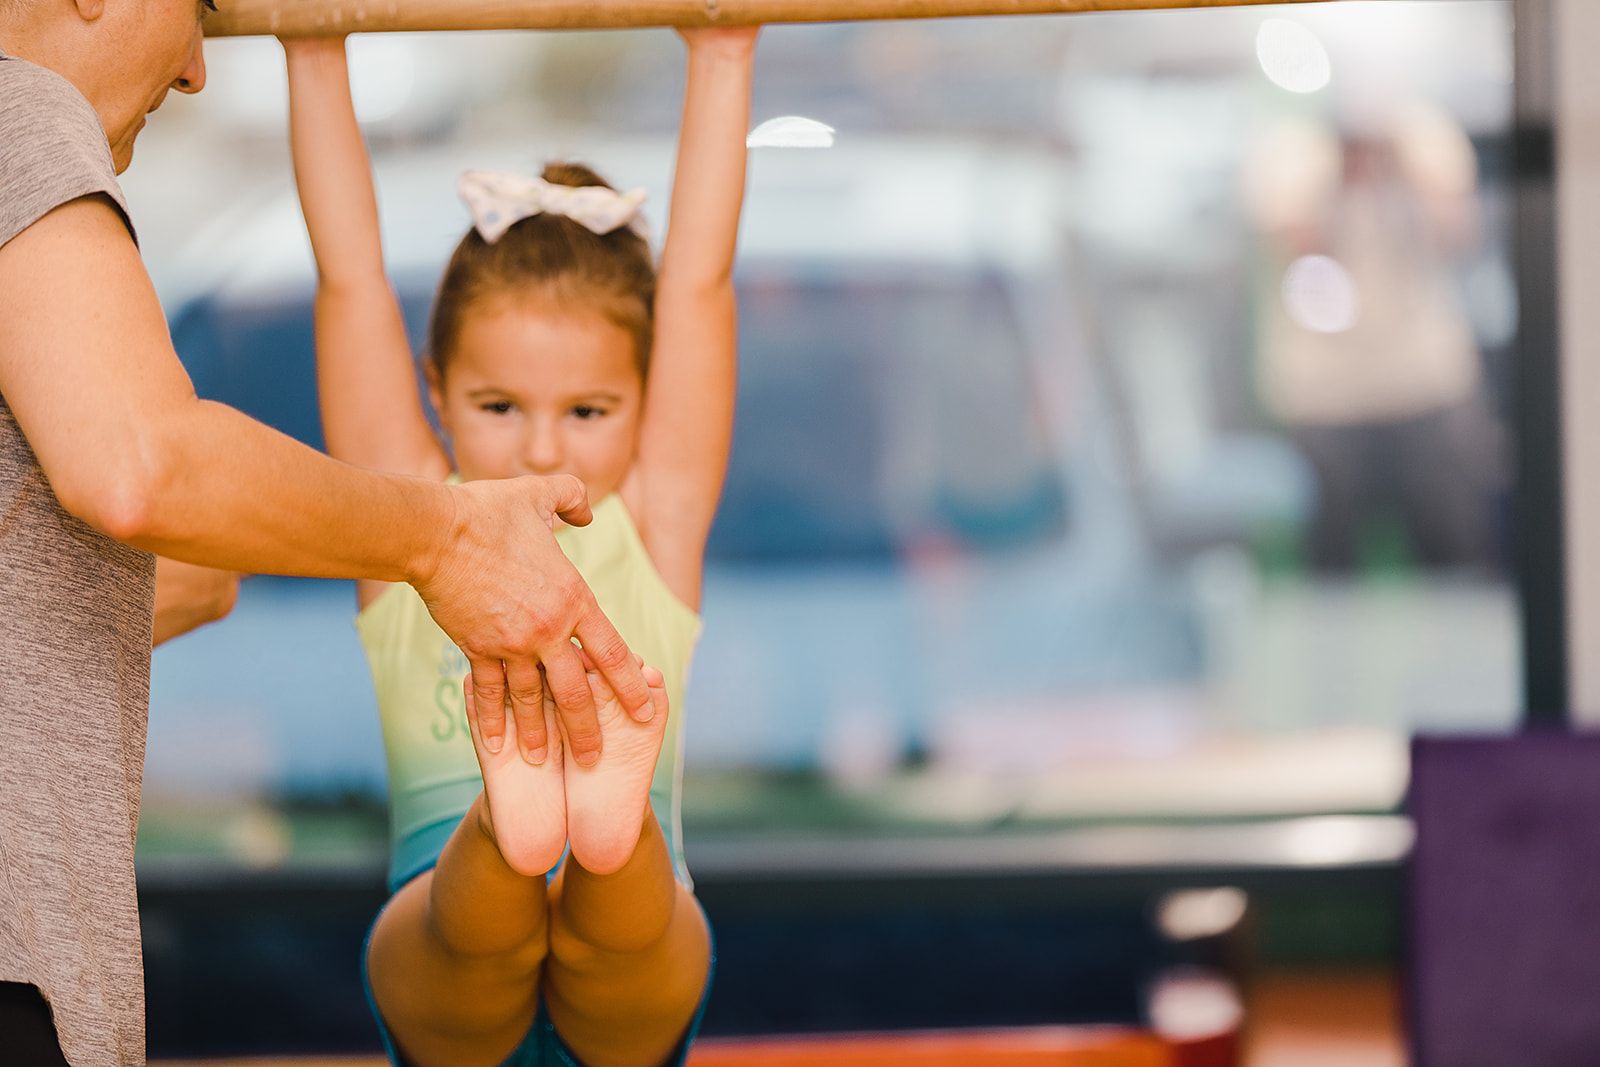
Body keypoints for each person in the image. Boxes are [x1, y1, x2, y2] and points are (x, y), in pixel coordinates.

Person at [0, 4, 653, 1064]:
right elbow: (141, 466)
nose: (201, 66)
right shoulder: (14, 111)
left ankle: (588, 832)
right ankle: (518, 826)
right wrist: (444, 540)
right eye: (198, 6)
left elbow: (179, 562)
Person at [281, 23, 757, 1066]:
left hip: (620, 920)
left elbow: (699, 288)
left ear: (642, 406)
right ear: (436, 389)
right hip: (444, 905)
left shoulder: (654, 515)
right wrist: (311, 48)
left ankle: (592, 822)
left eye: (587, 410)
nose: (542, 443)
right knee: (477, 933)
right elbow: (349, 280)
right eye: (499, 403)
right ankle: (515, 824)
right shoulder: (413, 524)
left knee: (609, 921)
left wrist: (726, 49)